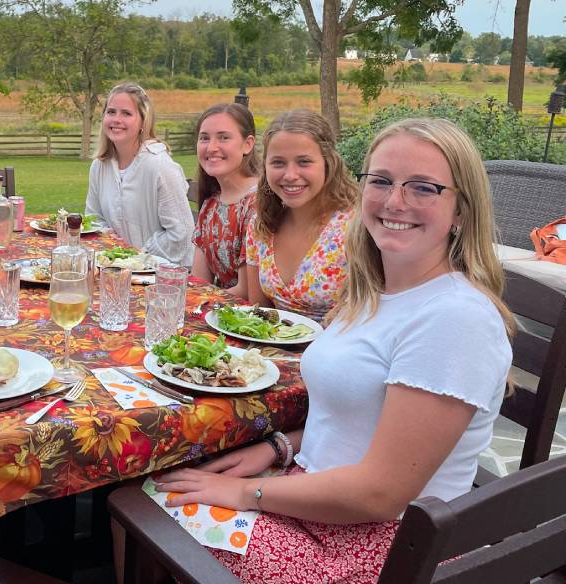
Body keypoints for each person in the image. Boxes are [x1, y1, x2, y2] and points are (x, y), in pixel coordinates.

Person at [154, 118, 515, 583]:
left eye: (423, 188)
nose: (395, 201)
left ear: (462, 210)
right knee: (167, 485)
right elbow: (358, 420)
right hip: (316, 501)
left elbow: (380, 495)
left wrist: (247, 494)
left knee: (147, 503)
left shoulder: (454, 319)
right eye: (381, 181)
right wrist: (279, 447)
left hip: (380, 550)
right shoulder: (374, 291)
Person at [244, 109, 357, 322]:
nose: (290, 175)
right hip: (271, 350)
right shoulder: (261, 226)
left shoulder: (353, 229)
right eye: (278, 163)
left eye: (304, 162)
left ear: (328, 162)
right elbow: (258, 313)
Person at [85, 82, 195, 267]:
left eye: (126, 113)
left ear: (143, 121)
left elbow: (181, 235)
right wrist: (109, 241)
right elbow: (93, 218)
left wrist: (137, 255)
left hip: (161, 275)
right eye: (111, 112)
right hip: (115, 270)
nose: (116, 119)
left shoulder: (160, 166)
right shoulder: (99, 167)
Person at [190, 103, 260, 295]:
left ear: (248, 144)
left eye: (224, 137)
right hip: (215, 311)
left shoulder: (257, 202)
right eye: (204, 138)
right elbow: (199, 281)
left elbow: (246, 291)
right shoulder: (210, 205)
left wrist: (200, 300)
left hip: (246, 317)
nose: (211, 147)